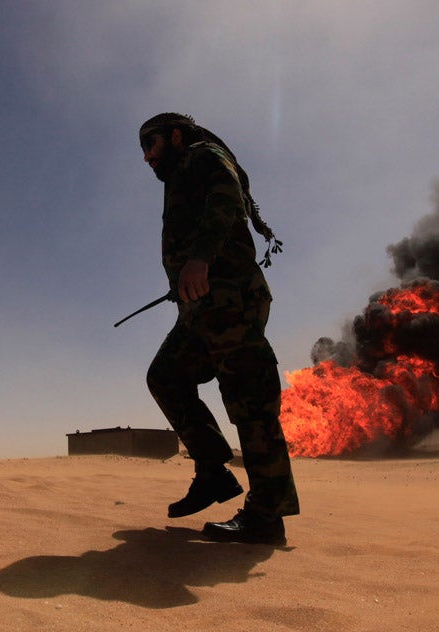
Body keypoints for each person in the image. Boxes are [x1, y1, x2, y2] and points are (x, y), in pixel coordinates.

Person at [138, 112, 299, 545]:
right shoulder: (181, 172)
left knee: (250, 403)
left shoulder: (201, 155)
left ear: (175, 136)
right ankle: (212, 472)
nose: (147, 157)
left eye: (150, 145)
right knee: (166, 377)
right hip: (203, 309)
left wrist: (201, 258)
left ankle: (267, 516)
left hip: (231, 301)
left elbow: (225, 196)